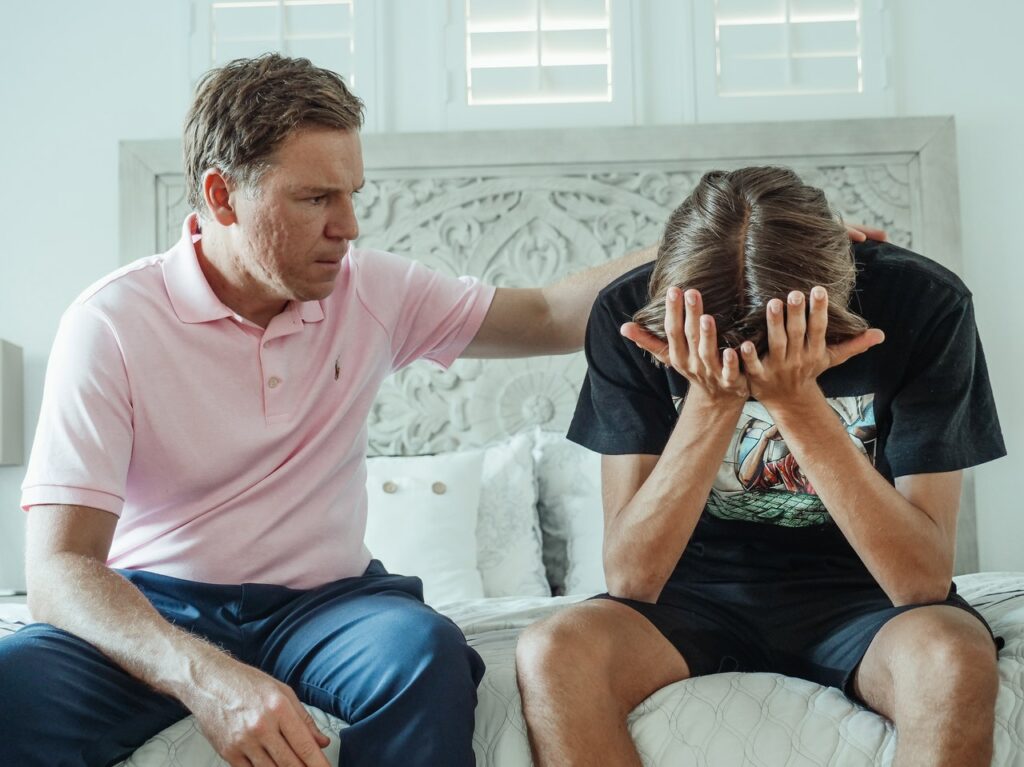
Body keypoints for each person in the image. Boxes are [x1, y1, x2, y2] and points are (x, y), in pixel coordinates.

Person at [0, 53, 657, 767]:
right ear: (223, 196)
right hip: (162, 603)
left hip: (329, 607)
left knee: (425, 655)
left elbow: (546, 314)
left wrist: (699, 244)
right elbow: (60, 568)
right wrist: (208, 678)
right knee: (14, 683)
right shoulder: (110, 323)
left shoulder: (371, 291)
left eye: (353, 195)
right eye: (315, 199)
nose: (348, 227)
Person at [515, 166, 1006, 767]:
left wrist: (796, 403)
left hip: (870, 599)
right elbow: (632, 578)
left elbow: (921, 582)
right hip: (684, 595)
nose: (745, 373)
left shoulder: (925, 303)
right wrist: (711, 401)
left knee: (953, 658)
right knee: (552, 653)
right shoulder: (629, 314)